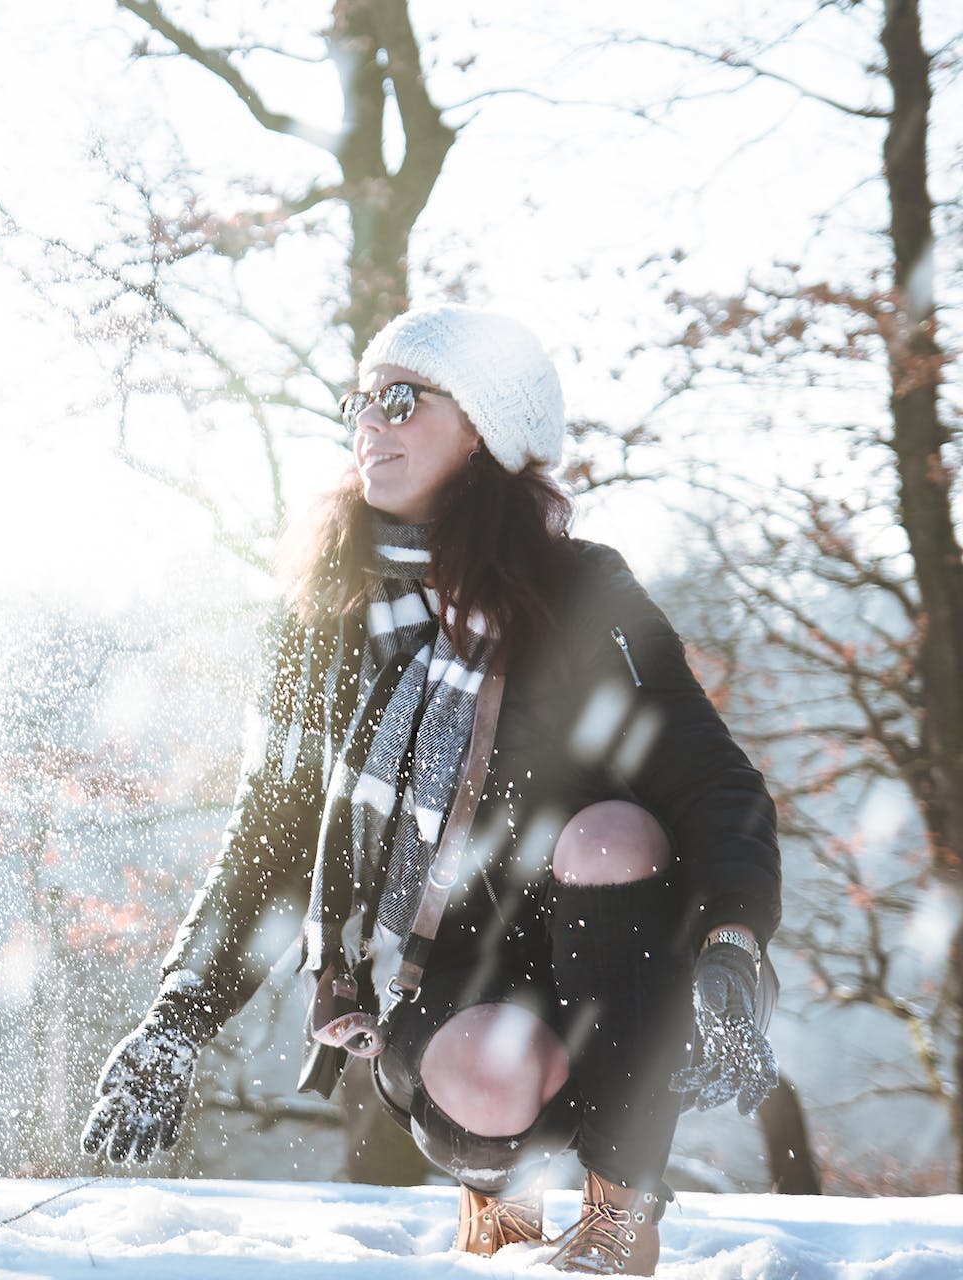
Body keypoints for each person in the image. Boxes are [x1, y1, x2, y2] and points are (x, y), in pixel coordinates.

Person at [79, 305, 781, 1275]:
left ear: (490, 426)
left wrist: (733, 951)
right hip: (439, 979)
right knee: (490, 1075)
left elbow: (717, 783)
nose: (372, 421)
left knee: (613, 830)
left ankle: (621, 1217)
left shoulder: (581, 592)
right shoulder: (324, 611)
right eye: (361, 400)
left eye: (402, 399)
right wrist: (177, 1017)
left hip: (614, 971)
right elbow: (270, 837)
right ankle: (501, 1203)